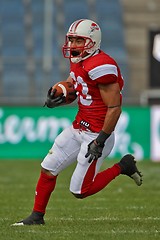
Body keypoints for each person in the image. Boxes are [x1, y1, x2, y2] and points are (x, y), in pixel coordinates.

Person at [13, 19, 142, 226]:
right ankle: (37, 217)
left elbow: (114, 108)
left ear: (92, 42)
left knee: (80, 191)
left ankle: (123, 166)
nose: (72, 45)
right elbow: (76, 86)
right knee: (48, 168)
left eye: (78, 40)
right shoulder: (78, 59)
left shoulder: (102, 65)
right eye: (71, 40)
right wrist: (60, 97)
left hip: (96, 134)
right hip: (78, 127)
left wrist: (100, 141)